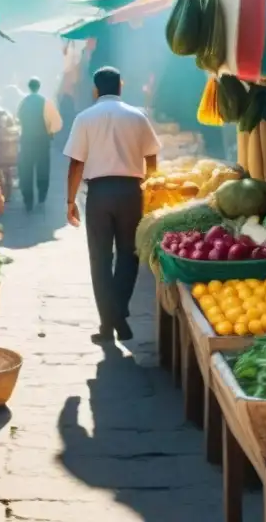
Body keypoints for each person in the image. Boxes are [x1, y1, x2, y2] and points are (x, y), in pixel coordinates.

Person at [63, 66, 161, 343]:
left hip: (99, 194)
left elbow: (76, 163)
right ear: (121, 85)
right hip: (131, 192)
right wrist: (150, 187)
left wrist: (70, 201)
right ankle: (118, 315)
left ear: (96, 90)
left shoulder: (84, 118)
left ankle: (109, 323)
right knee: (129, 255)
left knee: (100, 258)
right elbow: (152, 157)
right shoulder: (137, 116)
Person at [16, 78, 62, 211]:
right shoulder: (46, 102)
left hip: (26, 140)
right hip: (42, 140)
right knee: (43, 168)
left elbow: (18, 118)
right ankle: (41, 197)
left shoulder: (23, 102)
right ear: (39, 87)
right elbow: (57, 122)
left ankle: (28, 200)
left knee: (26, 170)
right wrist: (51, 132)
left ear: (29, 87)